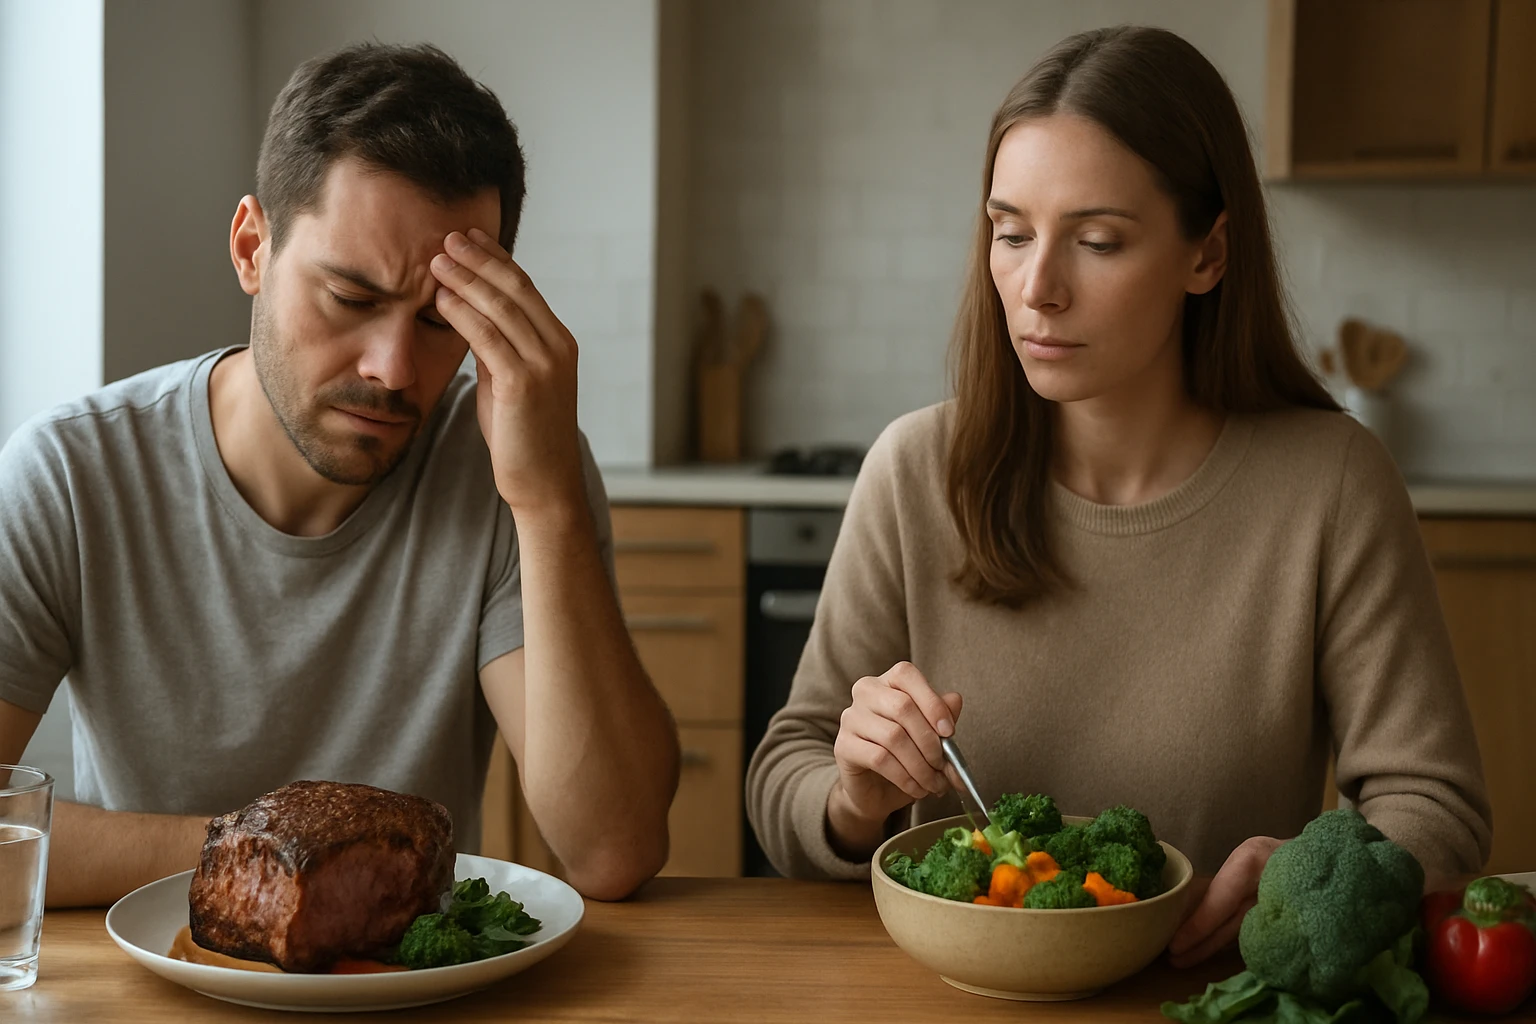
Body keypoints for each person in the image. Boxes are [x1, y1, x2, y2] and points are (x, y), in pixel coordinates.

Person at [745, 25, 1490, 967]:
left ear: (1208, 255)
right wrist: (852, 798)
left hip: (1216, 992)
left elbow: (1442, 811)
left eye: (1097, 241)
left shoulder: (1331, 483)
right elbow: (786, 778)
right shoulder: (911, 469)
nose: (1037, 288)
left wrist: (1307, 874)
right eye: (1010, 233)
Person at [0, 42, 678, 906]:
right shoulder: (69, 475)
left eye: (440, 321)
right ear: (252, 247)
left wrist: (546, 502)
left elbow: (611, 850)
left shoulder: (509, 468)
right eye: (351, 300)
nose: (395, 368)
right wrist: (263, 851)